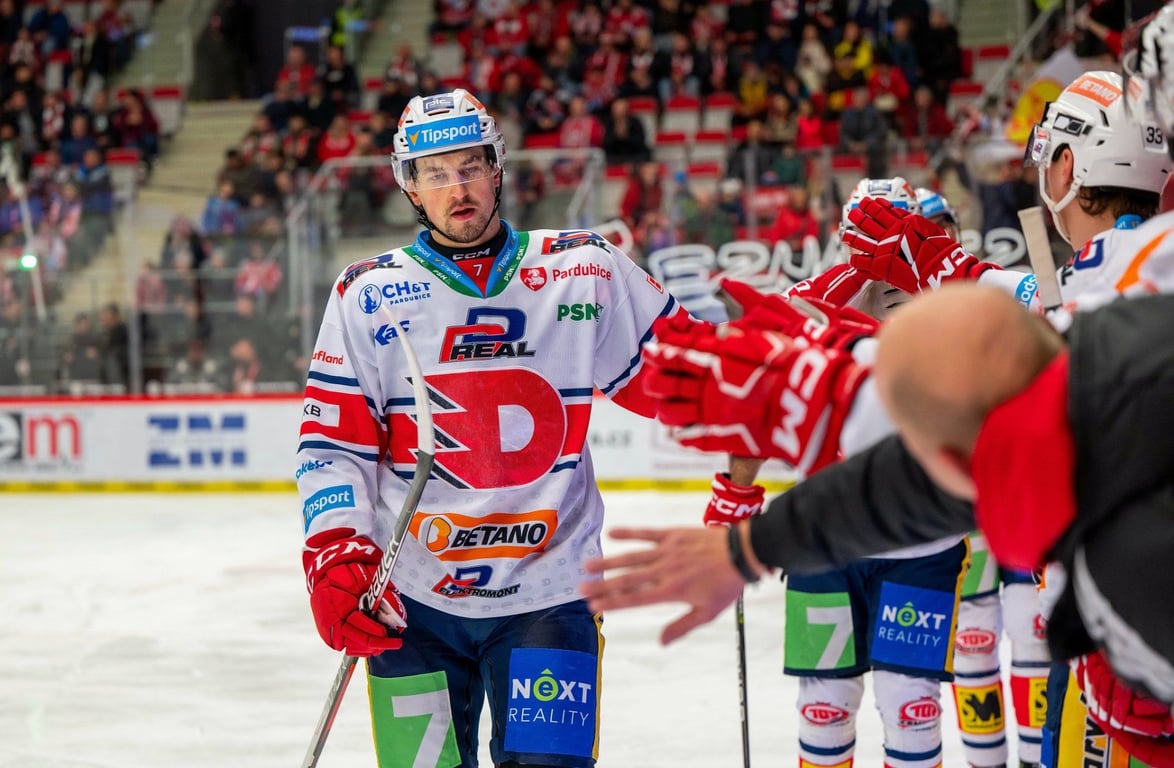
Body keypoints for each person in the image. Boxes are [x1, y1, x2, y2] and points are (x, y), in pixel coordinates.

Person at [295, 88, 681, 768]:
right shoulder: (367, 293)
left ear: (497, 168)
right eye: (435, 173)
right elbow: (332, 447)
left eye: (470, 166)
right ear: (409, 186)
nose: (458, 188)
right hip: (409, 598)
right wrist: (335, 551)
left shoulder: (582, 270)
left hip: (551, 592)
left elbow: (690, 373)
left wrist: (800, 342)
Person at [579, 283, 1174, 710]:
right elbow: (908, 482)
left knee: (905, 703)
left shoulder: (1130, 573)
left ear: (948, 466)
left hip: (923, 564)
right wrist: (751, 546)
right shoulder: (1121, 337)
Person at [703, 177, 970, 768]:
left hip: (922, 541)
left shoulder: (954, 299)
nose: (874, 246)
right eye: (866, 232)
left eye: (891, 230)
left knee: (911, 707)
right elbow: (759, 393)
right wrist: (736, 491)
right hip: (824, 538)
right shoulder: (808, 300)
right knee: (823, 707)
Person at [915, 186, 1052, 768]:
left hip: (1016, 494)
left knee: (1034, 634)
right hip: (957, 508)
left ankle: (1035, 759)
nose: (938, 234)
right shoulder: (897, 313)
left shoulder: (993, 288)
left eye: (942, 223)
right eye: (925, 228)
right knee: (971, 645)